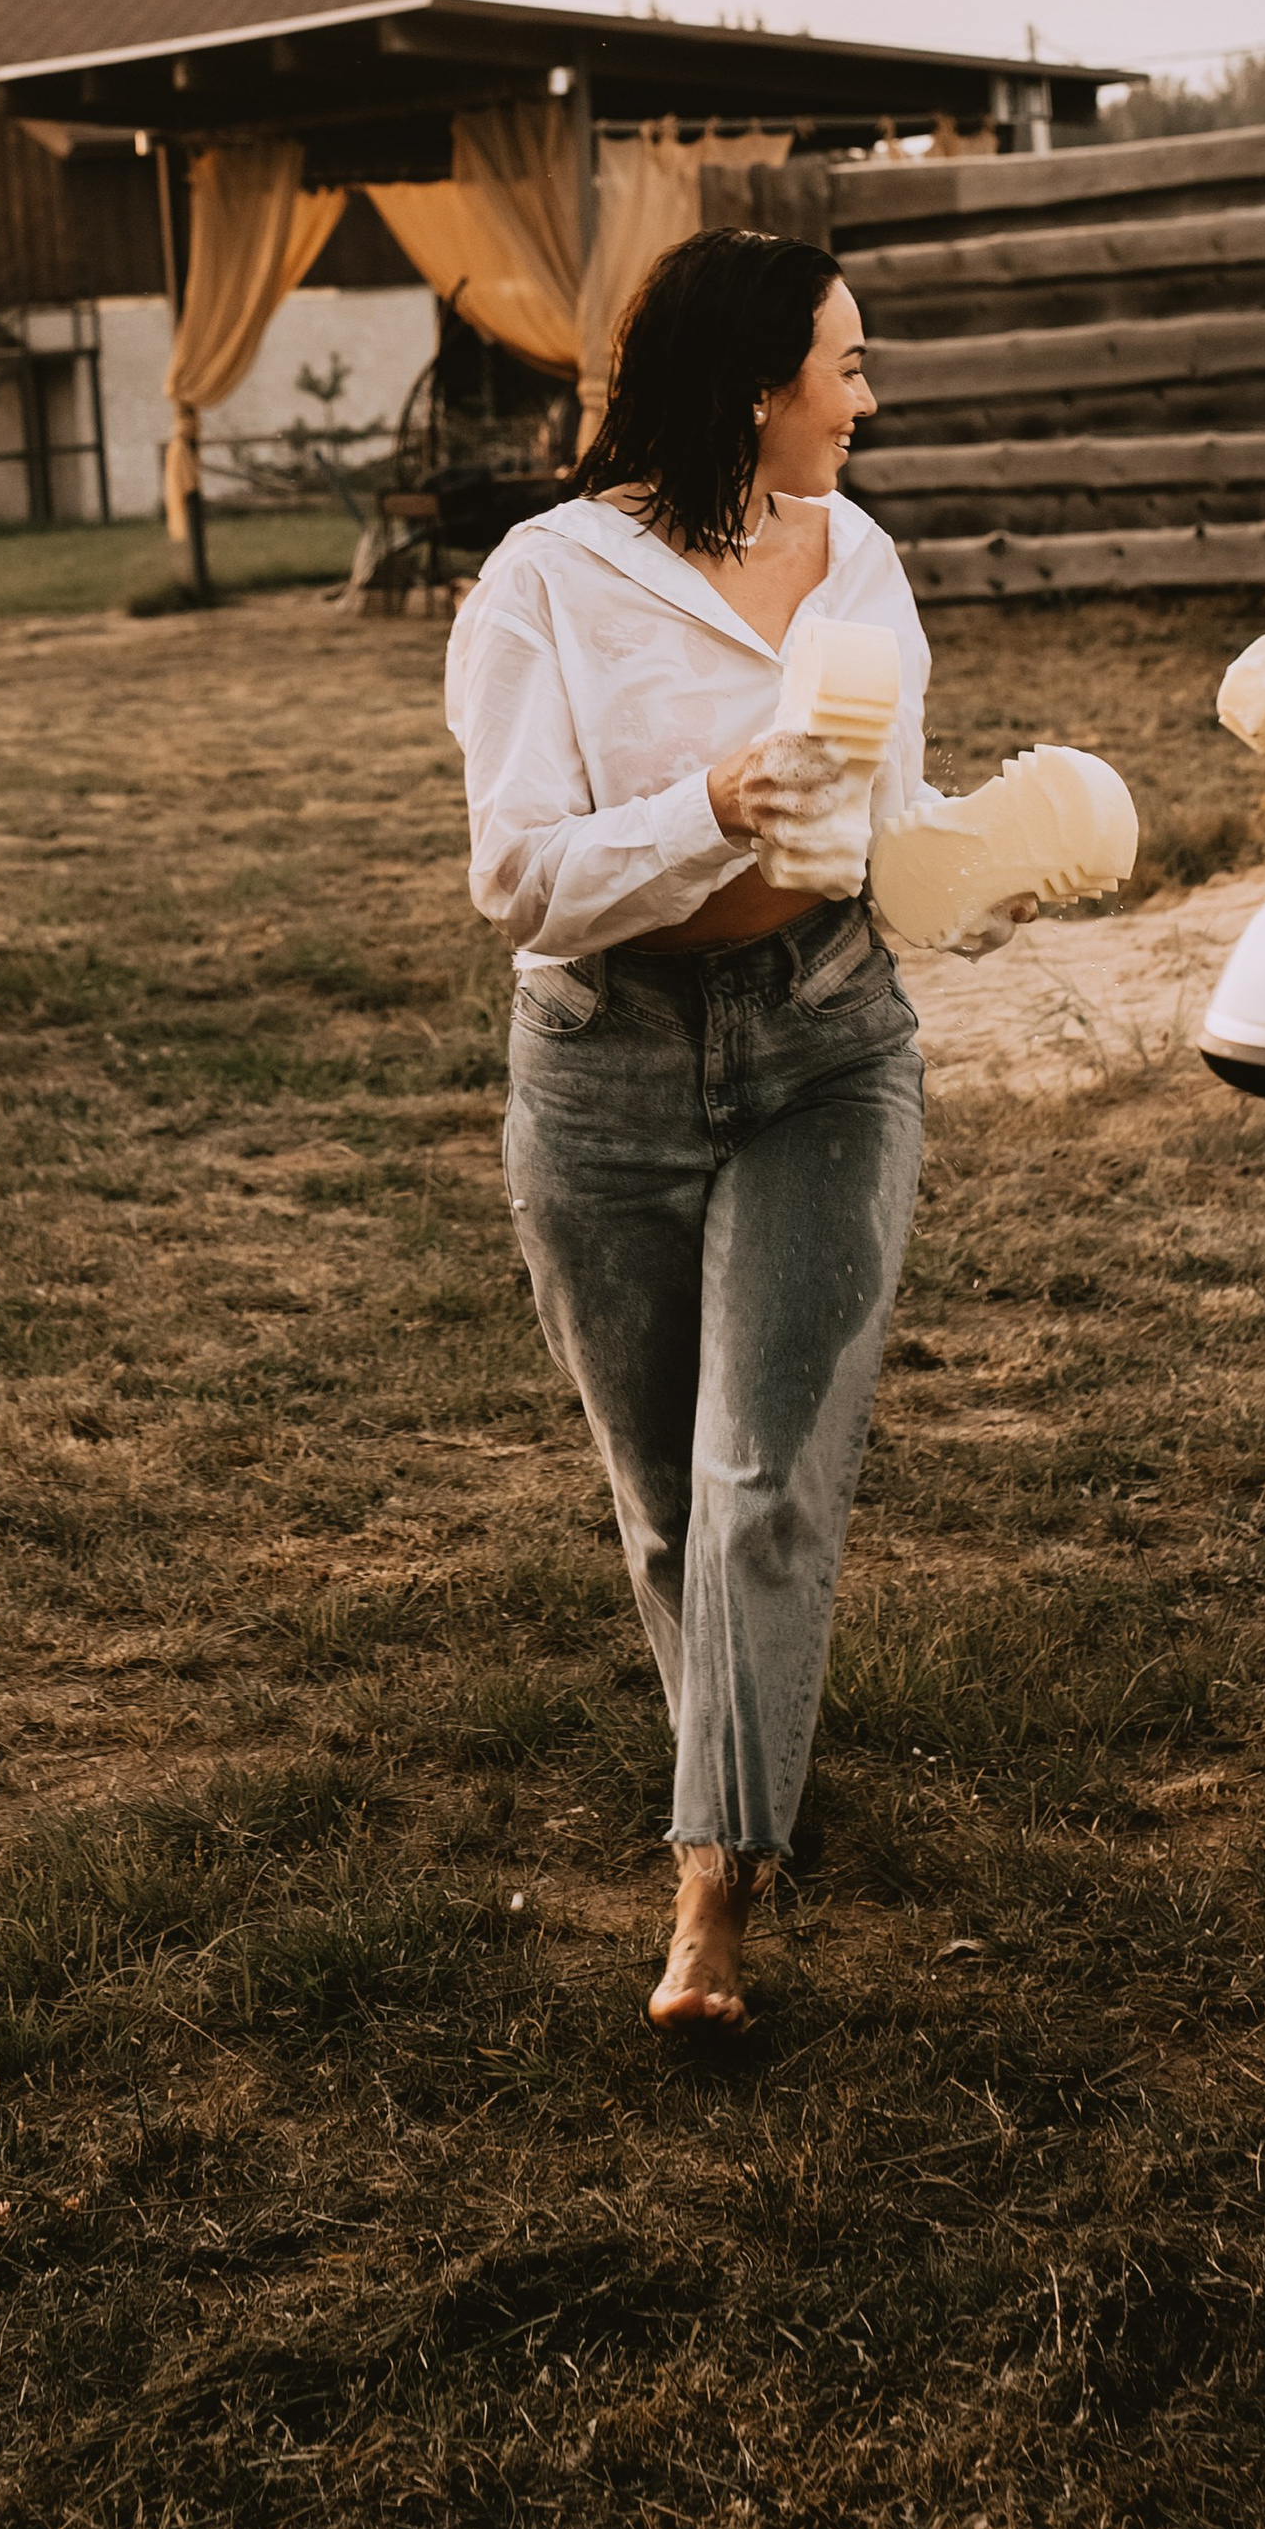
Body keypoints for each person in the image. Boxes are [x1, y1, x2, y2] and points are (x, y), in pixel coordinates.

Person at [446, 228, 968, 2033]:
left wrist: (1013, 842)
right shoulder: (548, 583)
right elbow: (519, 879)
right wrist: (714, 803)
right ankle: (744, 1781)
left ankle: (710, 1900)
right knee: (669, 1505)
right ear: (758, 385)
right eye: (848, 362)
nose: (869, 394)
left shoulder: (865, 560)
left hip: (828, 1043)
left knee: (764, 1483)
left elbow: (890, 815)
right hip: (604, 1070)